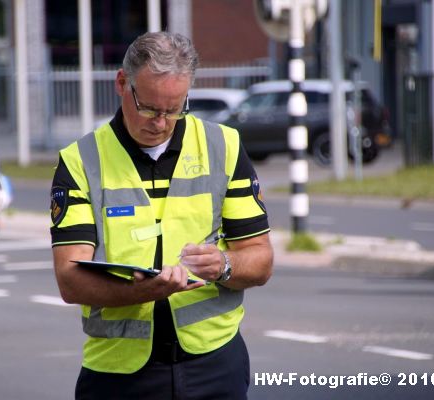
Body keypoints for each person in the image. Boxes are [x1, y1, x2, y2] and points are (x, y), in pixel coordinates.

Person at [50, 31, 273, 400]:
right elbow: (70, 280)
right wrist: (144, 291)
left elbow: (261, 258)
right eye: (150, 108)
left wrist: (224, 264)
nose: (161, 122)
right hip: (118, 373)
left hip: (215, 364)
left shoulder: (224, 146)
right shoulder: (80, 161)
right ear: (122, 84)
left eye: (175, 109)